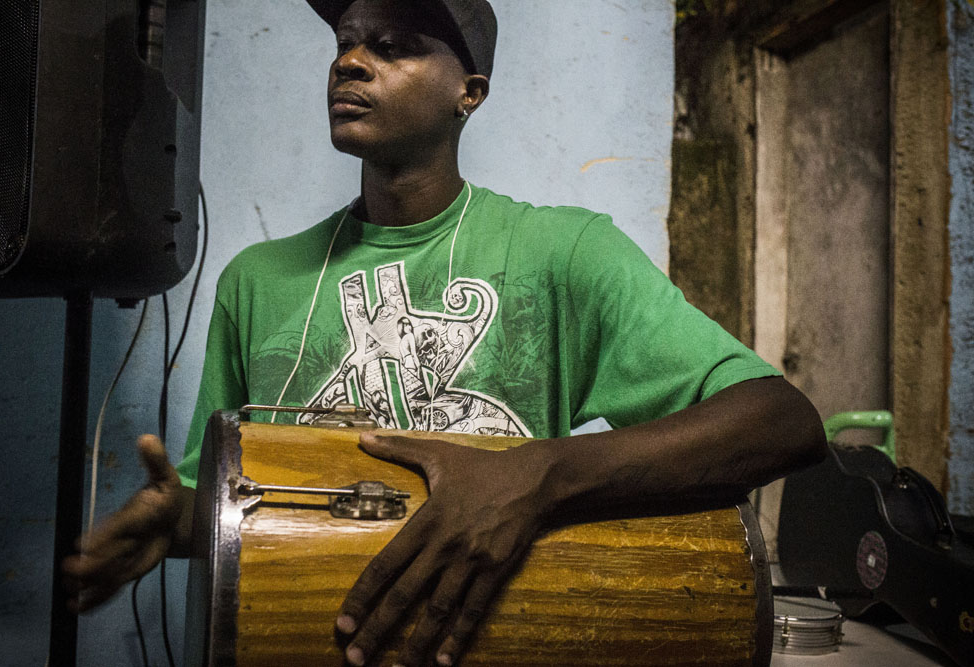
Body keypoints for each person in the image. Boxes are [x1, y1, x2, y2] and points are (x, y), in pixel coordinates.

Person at [63, 1, 827, 665]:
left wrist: (539, 472)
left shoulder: (564, 253)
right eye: (344, 45)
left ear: (469, 91)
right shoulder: (257, 279)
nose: (352, 63)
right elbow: (233, 508)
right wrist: (181, 524)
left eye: (392, 46)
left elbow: (781, 422)